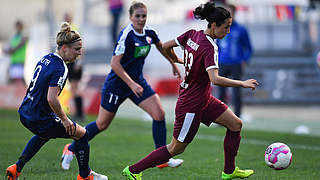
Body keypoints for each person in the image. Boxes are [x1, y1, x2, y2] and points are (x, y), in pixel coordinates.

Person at [122, 1, 259, 180]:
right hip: (191, 104)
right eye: (226, 27)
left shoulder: (192, 34)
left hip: (203, 99)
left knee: (235, 125)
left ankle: (229, 171)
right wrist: (242, 84)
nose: (228, 31)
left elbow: (165, 46)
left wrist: (178, 60)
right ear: (214, 25)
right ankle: (133, 170)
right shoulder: (210, 47)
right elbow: (215, 79)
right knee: (175, 149)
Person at [60, 1, 184, 171]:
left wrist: (173, 63)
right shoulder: (126, 35)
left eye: (144, 16)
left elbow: (161, 47)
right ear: (131, 17)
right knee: (102, 124)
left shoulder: (150, 33)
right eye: (137, 16)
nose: (141, 19)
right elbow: (115, 64)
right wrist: (131, 84)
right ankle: (71, 148)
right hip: (117, 85)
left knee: (159, 113)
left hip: (137, 83)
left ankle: (161, 158)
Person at [5, 22, 108, 180]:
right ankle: (85, 175)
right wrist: (65, 119)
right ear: (64, 48)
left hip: (25, 111)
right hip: (39, 117)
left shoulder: (46, 58)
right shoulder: (61, 68)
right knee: (82, 134)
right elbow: (51, 98)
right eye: (77, 49)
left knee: (44, 135)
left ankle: (16, 168)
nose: (79, 53)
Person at [216, 4, 253, 118]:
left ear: (234, 13)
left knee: (237, 91)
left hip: (236, 64)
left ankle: (237, 115)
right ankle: (221, 117)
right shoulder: (219, 28)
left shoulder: (241, 29)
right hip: (222, 63)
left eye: (230, 12)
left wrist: (244, 60)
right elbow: (216, 46)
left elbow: (249, 48)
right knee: (221, 92)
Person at [64, 13, 85, 122]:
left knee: (75, 88)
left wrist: (79, 62)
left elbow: (81, 47)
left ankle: (80, 113)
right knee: (73, 89)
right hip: (70, 63)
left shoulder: (73, 30)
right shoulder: (65, 32)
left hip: (75, 63)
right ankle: (78, 113)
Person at [3, 20, 28, 85]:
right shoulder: (13, 37)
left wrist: (11, 50)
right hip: (13, 61)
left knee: (20, 79)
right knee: (12, 79)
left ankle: (28, 93)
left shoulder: (24, 36)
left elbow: (20, 45)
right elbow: (7, 47)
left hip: (20, 61)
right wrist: (6, 50)